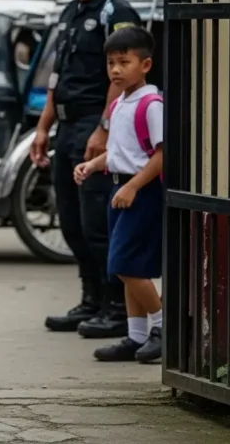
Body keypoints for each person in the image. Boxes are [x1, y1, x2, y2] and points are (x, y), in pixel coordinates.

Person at [29, 0, 142, 339]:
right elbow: (57, 72)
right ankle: (90, 299)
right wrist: (43, 127)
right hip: (67, 124)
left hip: (98, 123)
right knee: (71, 219)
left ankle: (116, 309)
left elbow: (121, 77)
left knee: (97, 221)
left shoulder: (117, 12)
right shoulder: (70, 10)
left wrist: (104, 128)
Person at [74, 26, 163, 363]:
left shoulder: (151, 104)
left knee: (126, 265)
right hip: (120, 189)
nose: (115, 69)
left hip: (140, 192)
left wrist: (133, 186)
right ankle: (136, 336)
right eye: (111, 62)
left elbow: (160, 156)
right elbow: (118, 150)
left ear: (145, 64)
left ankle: (161, 326)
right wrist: (94, 165)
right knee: (127, 266)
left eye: (124, 62)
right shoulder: (119, 105)